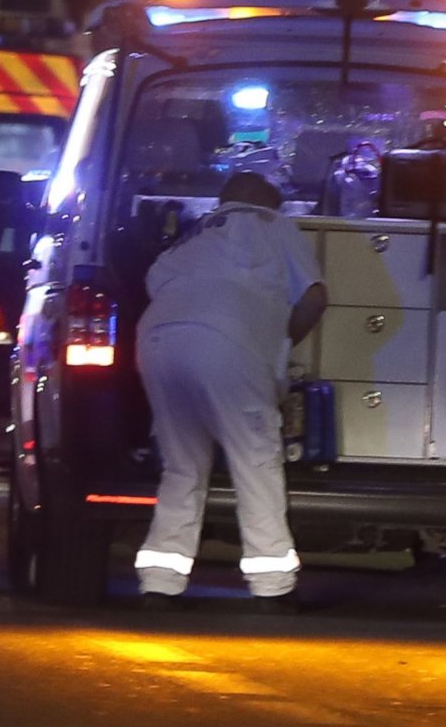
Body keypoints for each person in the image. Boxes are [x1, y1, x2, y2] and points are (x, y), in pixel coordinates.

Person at [132, 173, 327, 609]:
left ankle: (160, 583)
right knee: (256, 458)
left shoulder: (192, 235)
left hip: (157, 341)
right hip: (225, 343)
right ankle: (272, 586)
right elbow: (314, 298)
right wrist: (277, 342)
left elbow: (154, 282)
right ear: (267, 203)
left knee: (182, 464)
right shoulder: (272, 224)